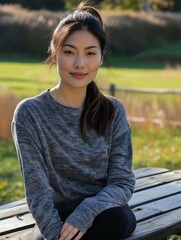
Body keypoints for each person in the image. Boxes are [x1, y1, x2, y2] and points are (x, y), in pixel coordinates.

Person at [11, 1, 136, 240]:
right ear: (54, 53)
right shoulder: (29, 113)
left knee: (115, 221)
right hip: (56, 215)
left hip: (103, 211)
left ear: (100, 57)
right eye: (69, 52)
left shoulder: (112, 111)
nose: (80, 63)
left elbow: (122, 182)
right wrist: (54, 233)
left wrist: (87, 211)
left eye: (90, 53)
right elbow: (37, 193)